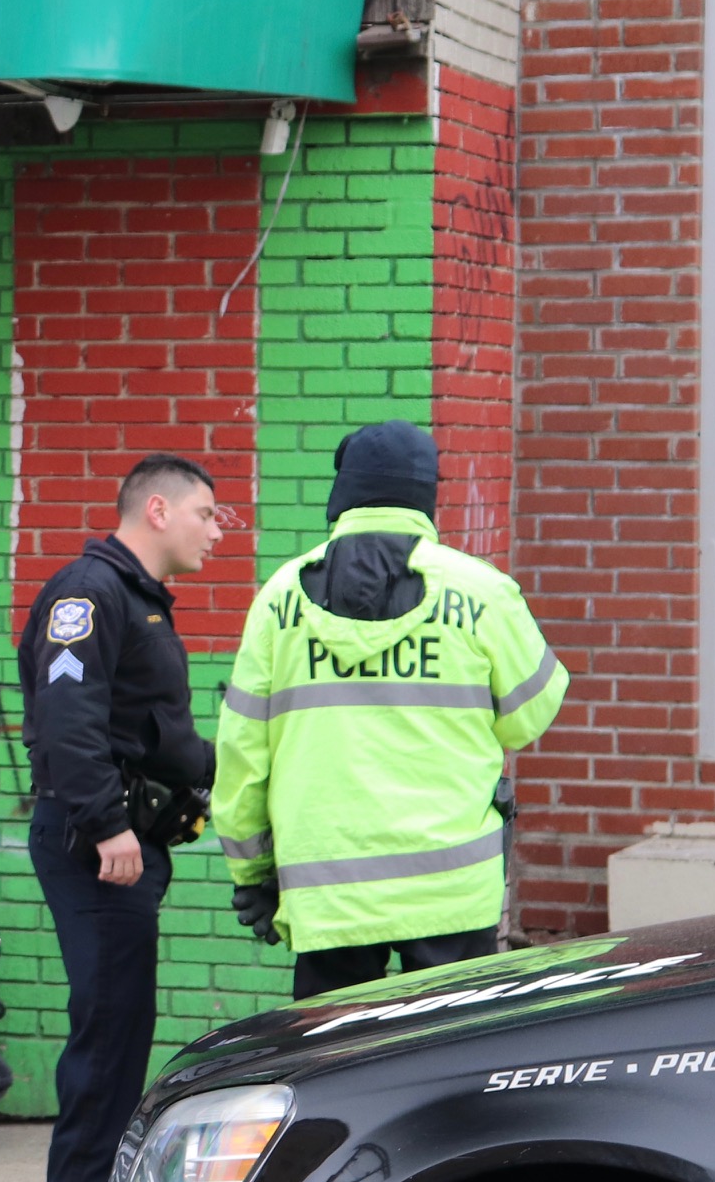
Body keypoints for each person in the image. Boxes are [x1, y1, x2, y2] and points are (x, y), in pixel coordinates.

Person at [217, 421, 568, 999]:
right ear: (424, 493)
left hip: (326, 891)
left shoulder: (279, 598)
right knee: (449, 1062)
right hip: (451, 890)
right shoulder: (482, 591)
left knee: (332, 1066)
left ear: (345, 491)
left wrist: (253, 872)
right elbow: (527, 718)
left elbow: (241, 753)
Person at [22, 454, 222, 1182]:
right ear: (160, 511)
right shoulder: (89, 593)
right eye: (208, 514)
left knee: (123, 1019)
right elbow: (69, 719)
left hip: (125, 841)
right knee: (108, 1023)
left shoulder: (134, 600)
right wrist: (109, 826)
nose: (216, 531)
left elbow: (150, 731)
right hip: (96, 845)